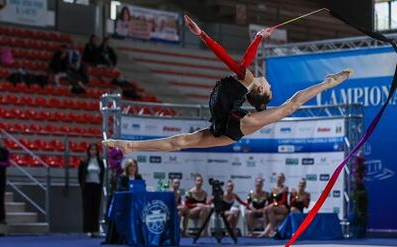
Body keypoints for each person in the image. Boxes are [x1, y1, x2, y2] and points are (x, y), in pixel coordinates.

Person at [102, 15, 353, 153]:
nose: (268, 82)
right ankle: (130, 145)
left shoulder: (249, 87)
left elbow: (292, 103)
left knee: (181, 142)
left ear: (261, 90)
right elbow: (242, 65)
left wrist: (327, 83)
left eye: (269, 86)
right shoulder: (244, 87)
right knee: (179, 143)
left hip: (231, 124)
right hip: (226, 125)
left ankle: (131, 145)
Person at [78, 144, 105, 237]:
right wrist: (82, 185)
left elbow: (102, 174)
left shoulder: (100, 161)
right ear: (88, 151)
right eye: (91, 149)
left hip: (97, 186)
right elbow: (80, 174)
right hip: (87, 186)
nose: (93, 151)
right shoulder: (84, 161)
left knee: (95, 208)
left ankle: (95, 229)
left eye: (95, 150)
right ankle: (87, 229)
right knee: (87, 208)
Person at [259, 173, 289, 237]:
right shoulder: (273, 188)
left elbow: (284, 200)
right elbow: (271, 199)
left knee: (270, 208)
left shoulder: (285, 188)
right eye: (278, 178)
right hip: (275, 208)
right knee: (265, 209)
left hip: (283, 207)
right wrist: (269, 203)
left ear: (283, 180)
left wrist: (275, 204)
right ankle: (266, 231)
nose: (279, 179)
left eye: (281, 178)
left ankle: (272, 230)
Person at [0, 135, 9, 224]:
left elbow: (8, 163)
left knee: (1, 198)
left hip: (1, 176)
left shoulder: (5, 151)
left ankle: (2, 218)